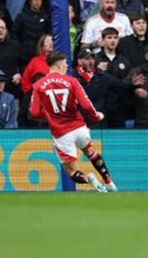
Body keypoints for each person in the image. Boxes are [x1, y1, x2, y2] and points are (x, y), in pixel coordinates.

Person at [29, 52, 117, 193]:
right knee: (90, 152)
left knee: (71, 171)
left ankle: (91, 181)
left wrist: (50, 115)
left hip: (61, 133)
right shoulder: (72, 81)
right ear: (58, 64)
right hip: (79, 127)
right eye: (64, 63)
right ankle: (109, 181)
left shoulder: (39, 85)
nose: (66, 66)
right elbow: (86, 105)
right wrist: (96, 117)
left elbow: (33, 112)